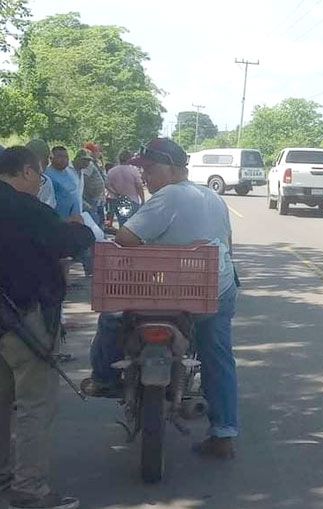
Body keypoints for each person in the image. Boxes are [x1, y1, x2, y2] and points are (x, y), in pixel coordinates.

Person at [82, 138, 239, 459]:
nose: (145, 177)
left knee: (112, 317)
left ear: (173, 168)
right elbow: (227, 242)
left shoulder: (168, 196)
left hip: (169, 292)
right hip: (214, 290)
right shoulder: (212, 196)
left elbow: (126, 238)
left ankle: (104, 377)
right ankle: (224, 433)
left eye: (151, 169)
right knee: (218, 355)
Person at [0, 146, 93, 509]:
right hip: (24, 320)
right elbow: (68, 242)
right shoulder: (29, 210)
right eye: (38, 175)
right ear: (25, 172)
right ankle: (29, 489)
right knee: (34, 404)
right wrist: (78, 228)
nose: (40, 182)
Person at [106, 149, 145, 225]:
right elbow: (139, 186)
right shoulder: (133, 171)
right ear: (129, 159)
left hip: (118, 200)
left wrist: (115, 192)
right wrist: (143, 200)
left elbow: (107, 184)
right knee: (134, 224)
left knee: (122, 223)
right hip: (133, 200)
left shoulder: (112, 171)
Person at [25, 140, 57, 210]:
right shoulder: (12, 177)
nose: (48, 162)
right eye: (46, 158)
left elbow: (48, 209)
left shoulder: (45, 181)